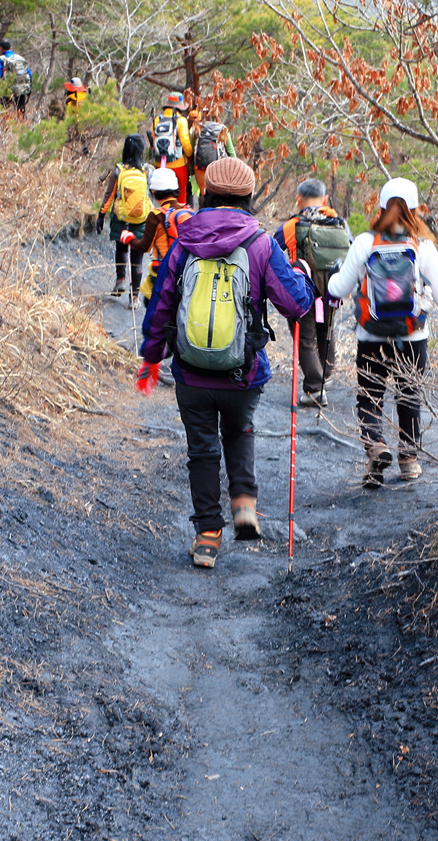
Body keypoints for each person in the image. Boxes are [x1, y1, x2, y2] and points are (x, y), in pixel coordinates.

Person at [138, 157, 314, 568]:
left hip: (191, 374)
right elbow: (296, 304)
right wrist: (302, 273)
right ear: (249, 197)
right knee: (239, 431)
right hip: (242, 373)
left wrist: (152, 357)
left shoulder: (184, 242)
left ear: (205, 193)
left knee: (201, 450)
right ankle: (244, 504)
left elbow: (161, 304)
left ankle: (207, 537)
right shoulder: (261, 245)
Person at [328, 177, 438, 489]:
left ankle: (376, 448)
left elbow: (338, 288)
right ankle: (409, 461)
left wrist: (333, 276)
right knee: (409, 396)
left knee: (369, 396)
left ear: (380, 208)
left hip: (371, 336)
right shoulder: (424, 248)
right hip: (412, 337)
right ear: (416, 210)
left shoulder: (364, 243)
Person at [276, 178, 351, 408]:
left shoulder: (291, 226)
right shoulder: (340, 224)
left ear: (298, 198)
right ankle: (324, 374)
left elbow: (273, 251)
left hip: (303, 290)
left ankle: (315, 388)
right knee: (326, 330)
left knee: (305, 339)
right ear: (325, 199)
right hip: (332, 289)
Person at [127, 167, 195, 309]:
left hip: (161, 273)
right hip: (185, 272)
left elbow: (144, 246)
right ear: (176, 189)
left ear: (154, 191)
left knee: (153, 308)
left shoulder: (156, 215)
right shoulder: (187, 211)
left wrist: (129, 239)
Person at [96, 136, 151, 298]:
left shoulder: (118, 170)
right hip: (141, 219)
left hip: (121, 218)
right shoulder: (147, 170)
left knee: (121, 248)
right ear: (141, 151)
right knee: (137, 256)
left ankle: (120, 280)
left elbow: (109, 196)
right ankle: (134, 297)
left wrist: (101, 215)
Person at [147, 93, 193, 206]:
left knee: (163, 197)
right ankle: (180, 215)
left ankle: (164, 214)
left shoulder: (157, 120)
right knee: (181, 196)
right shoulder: (181, 120)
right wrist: (190, 155)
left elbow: (153, 140)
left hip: (160, 164)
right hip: (178, 164)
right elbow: (185, 143)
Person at [187, 107, 236, 206]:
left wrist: (192, 172)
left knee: (203, 196)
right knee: (218, 196)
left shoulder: (197, 129)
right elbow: (231, 153)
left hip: (200, 168)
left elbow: (191, 153)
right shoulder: (223, 129)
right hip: (218, 168)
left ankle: (203, 212)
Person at [0, 41, 32, 115]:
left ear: (1, 48)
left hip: (7, 88)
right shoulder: (19, 58)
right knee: (21, 110)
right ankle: (22, 120)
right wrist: (29, 86)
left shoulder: (2, 59)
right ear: (11, 48)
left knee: (3, 109)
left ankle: (5, 120)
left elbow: (0, 74)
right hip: (21, 87)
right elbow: (29, 73)